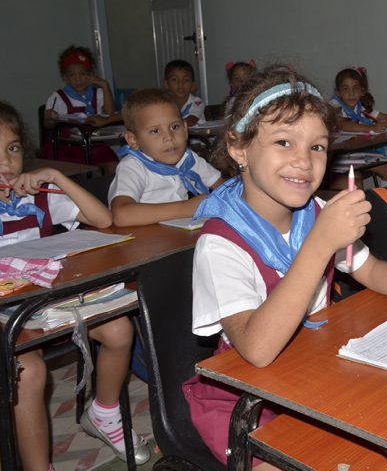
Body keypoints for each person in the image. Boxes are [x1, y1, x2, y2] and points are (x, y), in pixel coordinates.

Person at [182, 65, 387, 467]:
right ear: (239, 148)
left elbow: (369, 270)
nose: (303, 161)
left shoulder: (316, 210)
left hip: (315, 370)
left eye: (317, 147)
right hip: (244, 400)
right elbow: (257, 349)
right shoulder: (220, 244)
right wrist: (319, 245)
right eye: (284, 142)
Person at [0, 101, 150, 468]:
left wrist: (56, 176)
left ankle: (104, 412)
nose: (5, 162)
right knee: (29, 371)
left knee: (117, 328)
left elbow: (103, 220)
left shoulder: (36, 199)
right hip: (8, 317)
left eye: (13, 149)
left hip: (43, 304)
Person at [109, 88, 223, 227]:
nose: (169, 137)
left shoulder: (187, 158)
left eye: (175, 127)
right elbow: (121, 215)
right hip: (146, 243)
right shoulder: (133, 166)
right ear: (133, 140)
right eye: (155, 131)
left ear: (185, 129)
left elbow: (224, 187)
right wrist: (185, 208)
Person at [42, 45, 122, 173]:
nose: (78, 79)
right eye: (72, 75)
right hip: (67, 147)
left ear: (90, 75)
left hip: (94, 144)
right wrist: (50, 118)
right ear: (65, 77)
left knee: (113, 166)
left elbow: (110, 113)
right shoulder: (59, 97)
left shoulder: (99, 93)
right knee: (75, 173)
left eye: (83, 74)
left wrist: (105, 85)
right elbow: (48, 124)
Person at [163, 59, 206, 127]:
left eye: (186, 80)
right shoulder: (164, 104)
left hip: (197, 137)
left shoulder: (197, 103)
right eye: (174, 80)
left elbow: (190, 121)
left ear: (193, 86)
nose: (180, 84)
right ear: (166, 84)